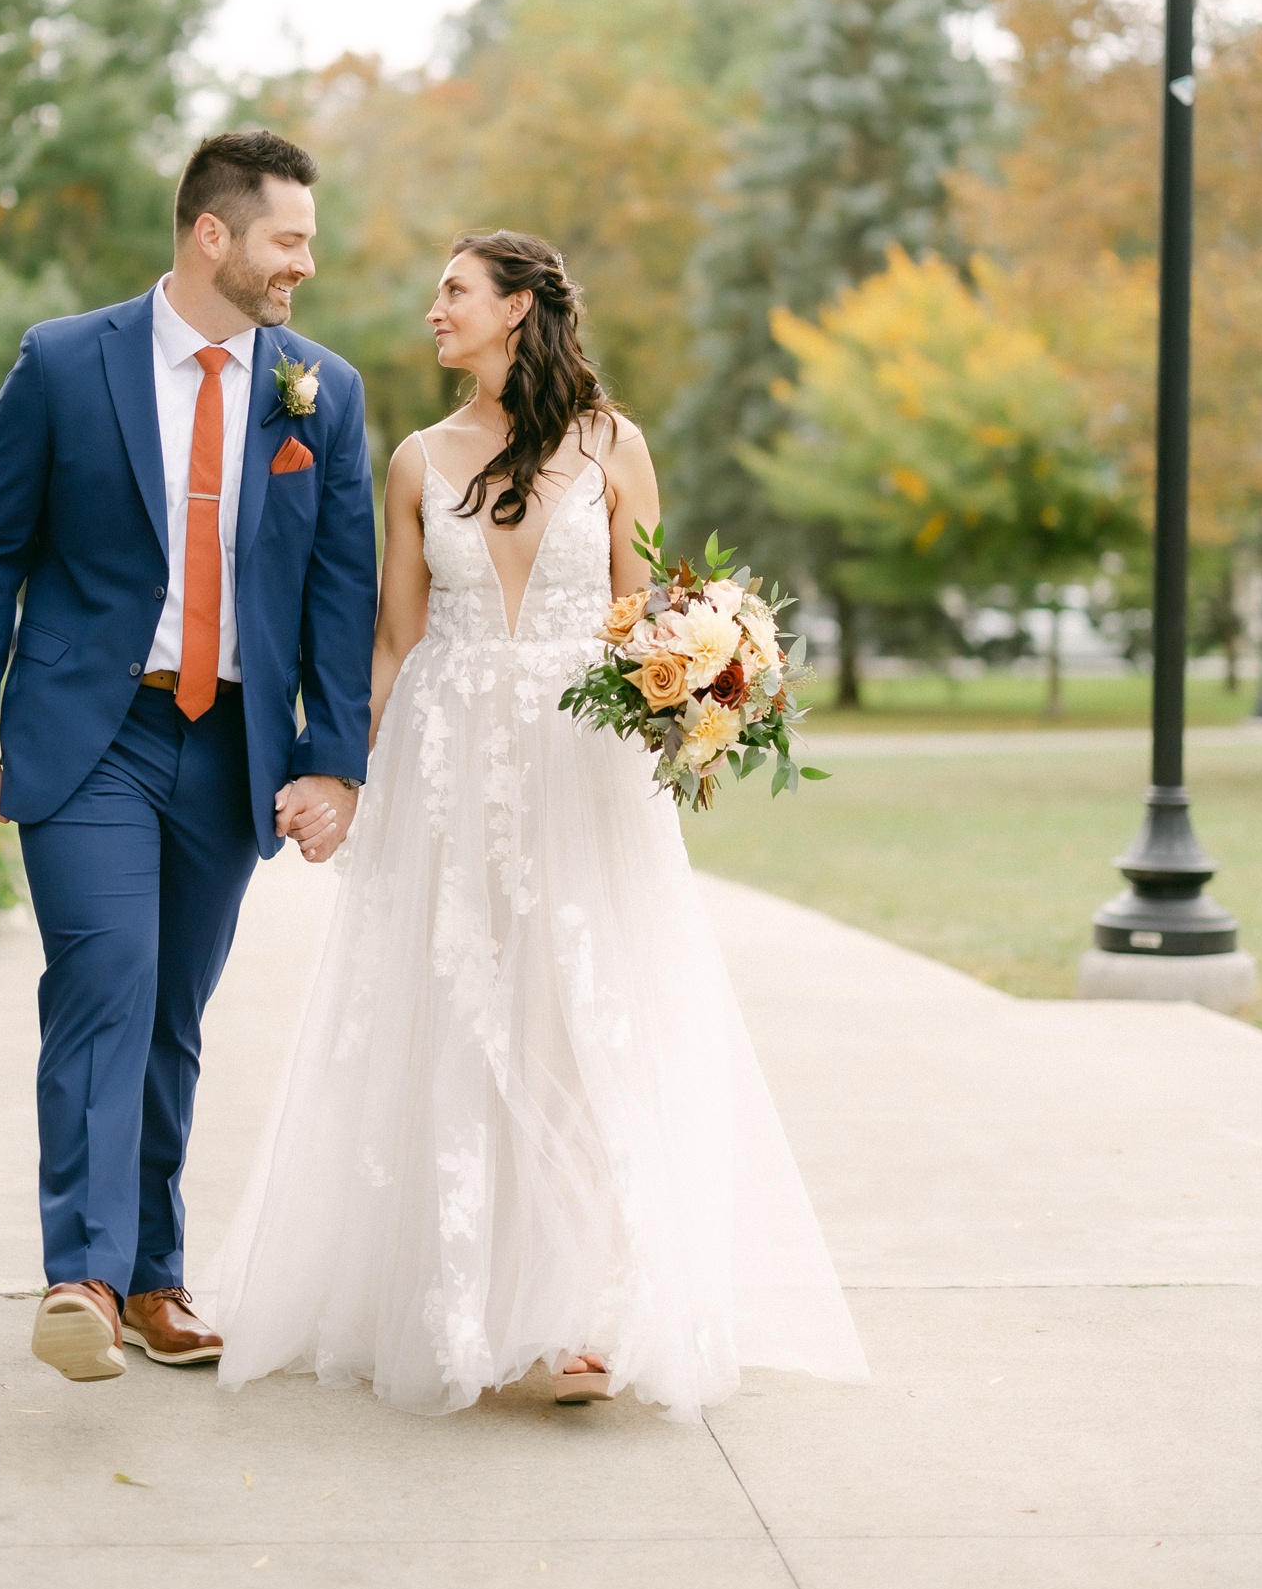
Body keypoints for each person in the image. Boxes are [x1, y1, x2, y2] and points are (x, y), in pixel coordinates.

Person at [211, 230, 868, 1420]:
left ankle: (588, 1310)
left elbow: (646, 616)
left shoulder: (615, 444)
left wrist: (707, 681)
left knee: (583, 1014)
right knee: (458, 1013)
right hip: (451, 758)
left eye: (453, 291)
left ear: (517, 307)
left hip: (582, 766)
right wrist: (341, 776)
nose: (432, 310)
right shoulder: (414, 458)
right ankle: (462, 1298)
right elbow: (393, 642)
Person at [0, 130, 375, 1384]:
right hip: (89, 736)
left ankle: (152, 1276)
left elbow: (342, 592)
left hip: (230, 742)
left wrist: (331, 759)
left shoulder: (318, 391)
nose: (307, 260)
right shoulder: (66, 363)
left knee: (173, 1010)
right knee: (106, 978)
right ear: (213, 235)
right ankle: (79, 1269)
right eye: (289, 237)